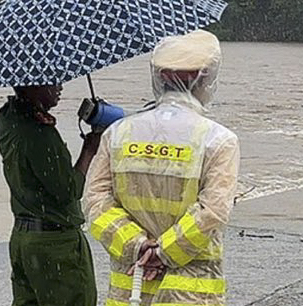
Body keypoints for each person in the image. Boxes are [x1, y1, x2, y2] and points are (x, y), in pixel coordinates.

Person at [84, 30, 240, 306]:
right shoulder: (219, 140)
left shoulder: (118, 134)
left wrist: (137, 245)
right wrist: (163, 252)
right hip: (191, 295)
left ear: (159, 77)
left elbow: (96, 204)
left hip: (129, 289)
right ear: (204, 78)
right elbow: (213, 212)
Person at [0, 84, 102, 306]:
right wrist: (89, 149)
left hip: (23, 238)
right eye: (52, 82)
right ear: (31, 86)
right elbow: (69, 191)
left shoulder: (6, 118)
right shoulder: (39, 133)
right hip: (55, 244)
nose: (60, 86)